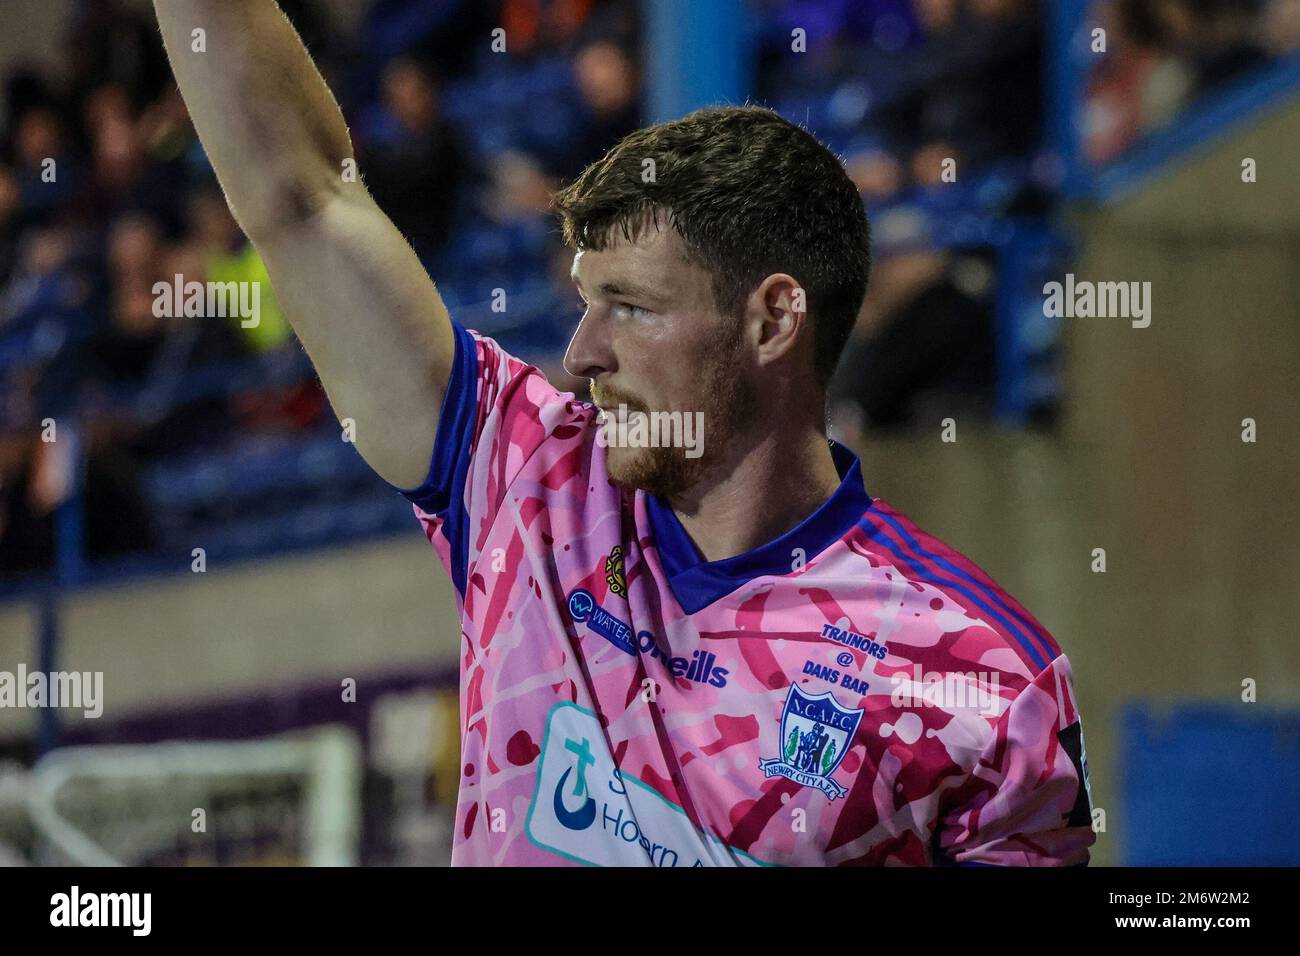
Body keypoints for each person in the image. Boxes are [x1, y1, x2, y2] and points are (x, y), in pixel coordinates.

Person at [154, 0, 1094, 866]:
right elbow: (306, 199)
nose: (582, 351)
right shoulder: (525, 482)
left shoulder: (985, 683)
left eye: (631, 308)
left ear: (773, 322)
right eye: (584, 303)